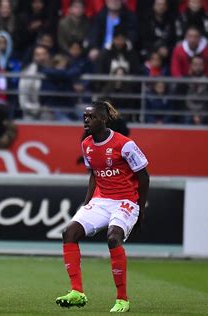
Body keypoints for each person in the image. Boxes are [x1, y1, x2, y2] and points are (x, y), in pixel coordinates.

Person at [55, 100, 150, 313]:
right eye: (85, 117)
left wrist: (140, 209)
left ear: (104, 119)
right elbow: (94, 175)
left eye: (91, 117)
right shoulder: (86, 144)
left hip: (125, 201)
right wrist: (87, 201)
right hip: (102, 200)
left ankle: (122, 299)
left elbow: (144, 178)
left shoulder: (125, 144)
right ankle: (77, 292)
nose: (86, 120)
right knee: (69, 232)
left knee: (113, 238)